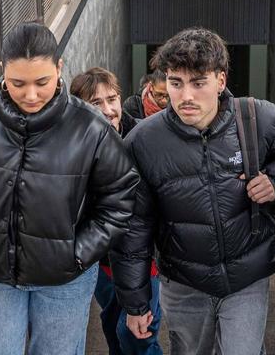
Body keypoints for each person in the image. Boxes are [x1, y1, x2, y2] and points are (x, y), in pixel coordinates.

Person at [0, 22, 139, 355]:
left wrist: (79, 252)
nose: (31, 95)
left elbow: (120, 196)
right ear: (2, 71)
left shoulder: (92, 128)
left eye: (42, 82)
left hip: (64, 279)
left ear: (59, 68)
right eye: (18, 83)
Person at [113, 27, 275, 355]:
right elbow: (133, 228)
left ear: (220, 81)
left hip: (247, 276)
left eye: (198, 84)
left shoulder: (256, 118)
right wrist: (136, 303)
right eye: (175, 83)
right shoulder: (143, 142)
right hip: (184, 282)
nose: (185, 97)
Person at [70, 68, 165, 355]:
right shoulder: (71, 148)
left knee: (139, 336)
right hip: (101, 264)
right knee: (113, 328)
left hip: (143, 262)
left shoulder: (143, 140)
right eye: (96, 103)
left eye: (112, 99)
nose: (109, 110)